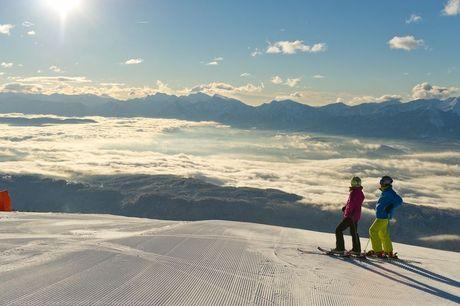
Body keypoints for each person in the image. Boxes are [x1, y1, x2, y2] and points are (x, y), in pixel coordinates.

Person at [367, 176, 403, 258]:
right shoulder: (386, 191)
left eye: (384, 181)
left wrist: (390, 206)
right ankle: (388, 251)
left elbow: (400, 200)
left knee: (372, 230)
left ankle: (378, 251)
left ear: (388, 183)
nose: (382, 183)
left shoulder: (389, 192)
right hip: (383, 216)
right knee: (383, 233)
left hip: (383, 216)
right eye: (382, 181)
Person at [331, 176, 365, 255]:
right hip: (356, 216)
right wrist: (346, 207)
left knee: (338, 230)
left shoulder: (354, 192)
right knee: (354, 232)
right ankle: (356, 250)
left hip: (350, 216)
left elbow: (351, 204)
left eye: (356, 183)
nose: (355, 184)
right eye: (354, 183)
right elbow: (355, 204)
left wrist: (347, 211)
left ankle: (340, 248)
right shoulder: (360, 192)